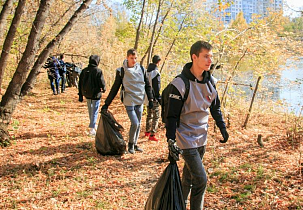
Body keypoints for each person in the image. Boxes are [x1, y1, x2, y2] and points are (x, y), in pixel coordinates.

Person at [165, 41, 229, 210]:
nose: (210, 60)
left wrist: (222, 127)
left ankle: (179, 205)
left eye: (211, 56)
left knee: (188, 178)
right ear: (194, 57)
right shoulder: (179, 84)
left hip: (202, 137)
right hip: (185, 138)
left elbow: (215, 108)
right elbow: (171, 116)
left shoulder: (211, 82)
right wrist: (170, 140)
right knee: (201, 179)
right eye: (206, 56)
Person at [101, 49, 154, 154]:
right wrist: (106, 103)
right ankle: (130, 144)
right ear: (127, 58)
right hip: (129, 100)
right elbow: (115, 88)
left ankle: (134, 143)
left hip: (140, 100)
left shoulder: (142, 69)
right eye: (131, 58)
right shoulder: (122, 71)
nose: (134, 60)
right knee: (135, 123)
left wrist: (151, 99)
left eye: (135, 58)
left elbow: (147, 85)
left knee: (138, 124)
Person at [78, 55, 106, 136]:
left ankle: (92, 125)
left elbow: (80, 84)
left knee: (91, 111)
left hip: (87, 94)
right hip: (96, 94)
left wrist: (80, 94)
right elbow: (102, 82)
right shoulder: (98, 71)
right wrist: (104, 89)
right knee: (95, 111)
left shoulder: (84, 71)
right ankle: (92, 128)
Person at [145, 55, 161, 141]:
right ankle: (152, 134)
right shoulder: (155, 73)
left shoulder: (146, 71)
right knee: (156, 116)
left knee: (149, 114)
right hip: (154, 97)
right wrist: (158, 97)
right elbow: (156, 86)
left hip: (147, 96)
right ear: (158, 62)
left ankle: (147, 131)